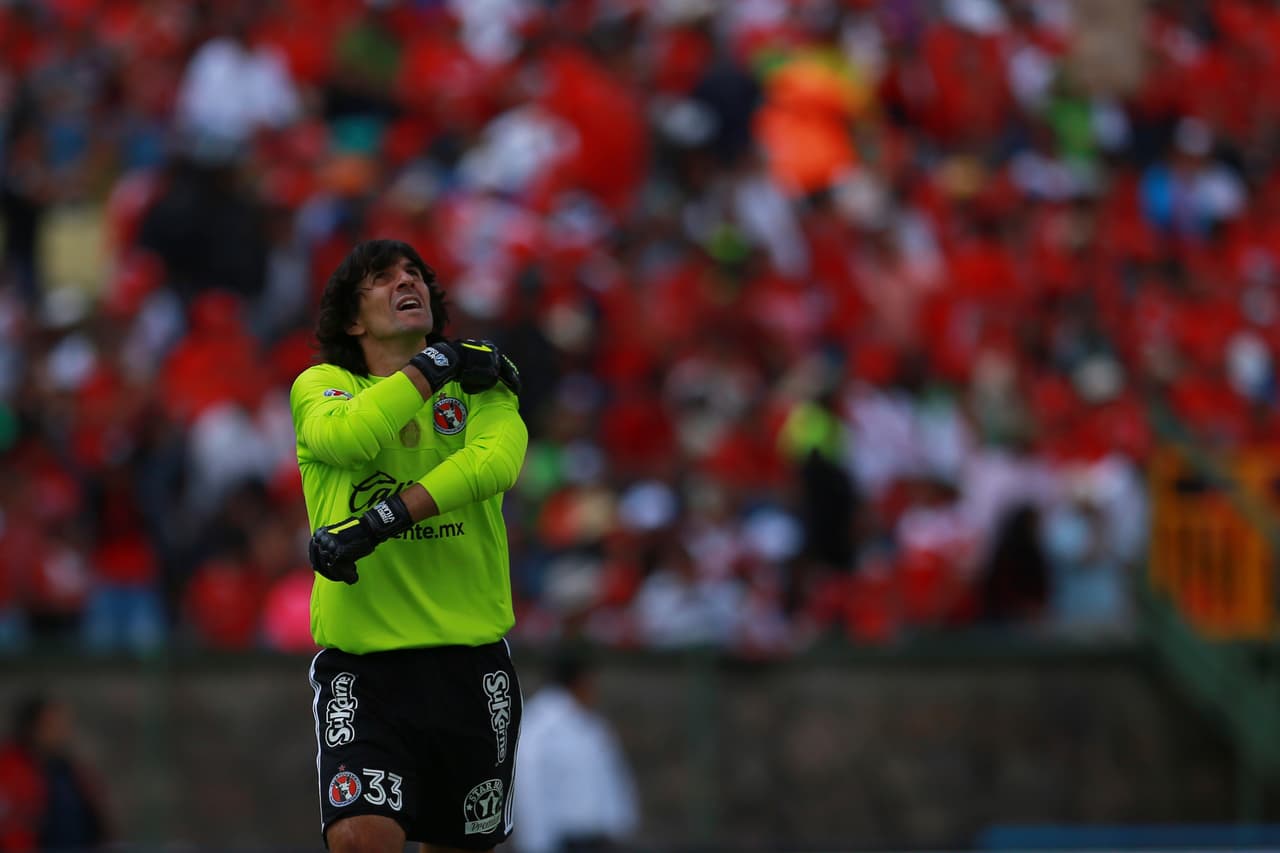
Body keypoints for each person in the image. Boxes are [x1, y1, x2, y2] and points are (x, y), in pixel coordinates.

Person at [291, 239, 528, 853]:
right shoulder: (322, 385)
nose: (408, 282)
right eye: (383, 278)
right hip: (366, 670)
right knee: (360, 838)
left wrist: (377, 523)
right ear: (351, 317)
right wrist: (436, 366)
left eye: (415, 273)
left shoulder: (483, 387)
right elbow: (350, 439)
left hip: (469, 663)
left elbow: (490, 467)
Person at [512, 648, 639, 853]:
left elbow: (612, 780)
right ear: (581, 681)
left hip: (599, 840)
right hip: (561, 842)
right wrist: (536, 845)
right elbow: (529, 788)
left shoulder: (594, 726)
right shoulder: (539, 726)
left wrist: (619, 827)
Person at [0, 694, 109, 851]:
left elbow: (96, 820)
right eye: (52, 724)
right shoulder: (10, 768)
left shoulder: (68, 770)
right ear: (32, 726)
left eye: (63, 724)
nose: (61, 731)